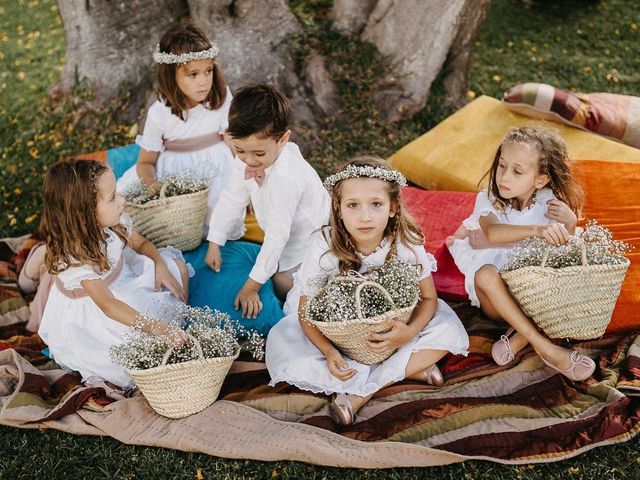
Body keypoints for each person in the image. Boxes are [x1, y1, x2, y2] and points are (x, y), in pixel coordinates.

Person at [265, 157, 468, 425]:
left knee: (447, 329)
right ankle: (409, 369)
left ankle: (360, 393)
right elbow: (306, 313)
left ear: (393, 207)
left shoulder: (406, 243)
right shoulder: (324, 247)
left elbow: (429, 298)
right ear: (338, 209)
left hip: (395, 329)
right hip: (340, 335)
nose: (365, 216)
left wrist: (408, 333)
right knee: (286, 346)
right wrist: (329, 352)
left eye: (376, 204)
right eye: (353, 205)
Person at [447, 126, 595, 380]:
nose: (504, 177)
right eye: (501, 166)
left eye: (517, 171)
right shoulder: (488, 199)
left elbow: (565, 253)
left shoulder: (549, 201)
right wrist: (537, 229)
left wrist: (569, 224)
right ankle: (545, 346)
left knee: (571, 280)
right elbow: (493, 234)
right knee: (485, 274)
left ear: (540, 179)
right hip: (496, 299)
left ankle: (518, 339)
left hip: (533, 292)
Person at [38, 158, 191, 389]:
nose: (122, 201)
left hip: (123, 277)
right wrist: (157, 327)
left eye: (117, 193)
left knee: (176, 268)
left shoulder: (112, 221)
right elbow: (109, 305)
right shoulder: (76, 257)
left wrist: (159, 263)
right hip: (99, 306)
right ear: (85, 213)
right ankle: (35, 266)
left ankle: (178, 325)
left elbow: (141, 245)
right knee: (135, 349)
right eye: (113, 198)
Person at [205, 84, 331, 318]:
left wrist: (252, 287)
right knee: (275, 273)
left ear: (283, 140)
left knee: (284, 285)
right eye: (240, 150)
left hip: (311, 243)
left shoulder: (287, 178)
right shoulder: (247, 159)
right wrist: (215, 241)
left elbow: (277, 236)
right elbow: (232, 197)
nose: (248, 160)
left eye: (259, 154)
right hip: (287, 239)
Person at [116, 21, 236, 233]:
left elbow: (233, 143)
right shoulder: (159, 113)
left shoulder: (222, 97)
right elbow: (145, 162)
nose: (204, 81)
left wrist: (247, 181)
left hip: (218, 169)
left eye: (208, 71)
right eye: (193, 74)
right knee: (127, 211)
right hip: (175, 173)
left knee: (224, 211)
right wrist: (153, 184)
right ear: (172, 75)